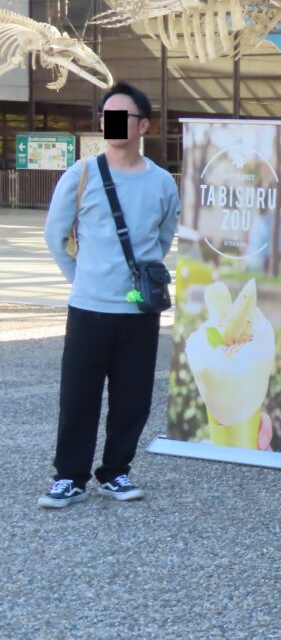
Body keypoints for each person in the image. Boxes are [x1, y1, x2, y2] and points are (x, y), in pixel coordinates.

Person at [39, 81, 180, 508]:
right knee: (79, 395)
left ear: (145, 125)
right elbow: (55, 233)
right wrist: (80, 278)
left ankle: (116, 472)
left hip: (139, 310)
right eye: (107, 115)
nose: (113, 122)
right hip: (88, 308)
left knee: (132, 398)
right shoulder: (80, 174)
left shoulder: (161, 183)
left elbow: (163, 236)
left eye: (123, 116)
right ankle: (69, 477)